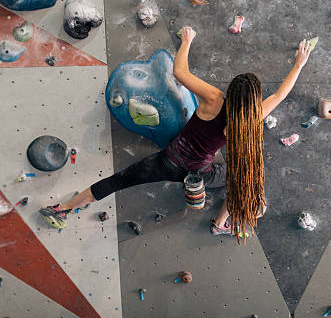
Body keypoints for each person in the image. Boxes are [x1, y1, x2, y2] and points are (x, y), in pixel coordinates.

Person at [39, 26, 311, 241]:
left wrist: (187, 40)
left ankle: (62, 208)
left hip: (166, 160)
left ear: (232, 90)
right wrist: (298, 64)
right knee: (237, 182)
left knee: (117, 181)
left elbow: (180, 72)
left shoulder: (215, 98)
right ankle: (220, 224)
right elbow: (280, 95)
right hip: (198, 173)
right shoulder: (251, 117)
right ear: (253, 102)